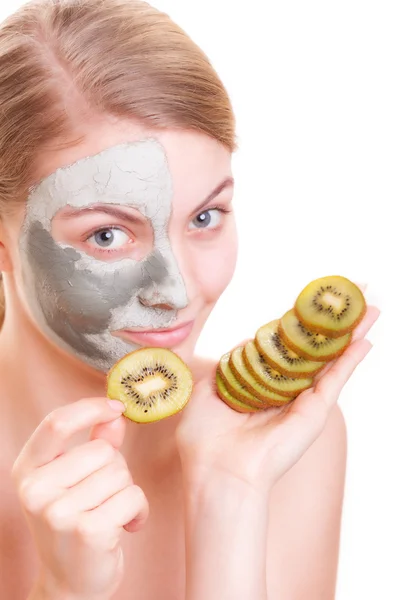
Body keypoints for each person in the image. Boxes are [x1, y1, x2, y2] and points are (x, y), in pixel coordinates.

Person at [0, 1, 380, 599]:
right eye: (108, 234)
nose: (178, 290)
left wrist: (228, 497)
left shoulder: (283, 441)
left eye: (206, 216)